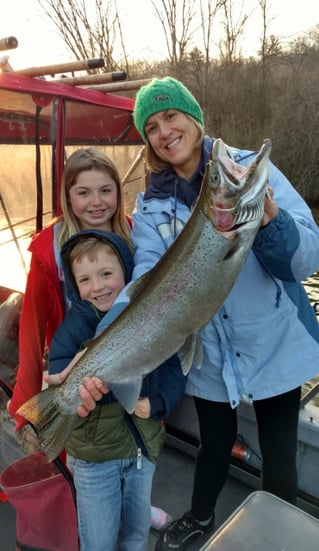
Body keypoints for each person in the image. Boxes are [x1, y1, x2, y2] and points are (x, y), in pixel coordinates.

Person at [46, 77, 319, 550]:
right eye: (151, 126)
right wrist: (94, 354)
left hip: (272, 344)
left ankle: (279, 539)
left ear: (192, 116)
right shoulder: (150, 204)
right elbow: (143, 282)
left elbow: (307, 260)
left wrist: (271, 221)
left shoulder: (252, 170)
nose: (164, 131)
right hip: (206, 349)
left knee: (279, 456)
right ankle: (200, 515)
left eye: (170, 116)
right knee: (214, 442)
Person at [47, 229, 186, 551]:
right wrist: (83, 390)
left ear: (127, 272)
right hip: (94, 460)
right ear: (74, 285)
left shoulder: (151, 319)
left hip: (142, 451)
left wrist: (160, 401)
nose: (97, 287)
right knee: (98, 539)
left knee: (137, 533)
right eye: (85, 280)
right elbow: (59, 370)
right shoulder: (72, 329)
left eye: (106, 274)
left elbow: (173, 368)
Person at [8, 148, 132, 431]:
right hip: (74, 370)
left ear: (118, 192)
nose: (97, 202)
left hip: (128, 366)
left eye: (105, 190)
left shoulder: (133, 234)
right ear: (68, 196)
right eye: (83, 193)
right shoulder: (47, 251)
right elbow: (32, 328)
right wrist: (25, 407)